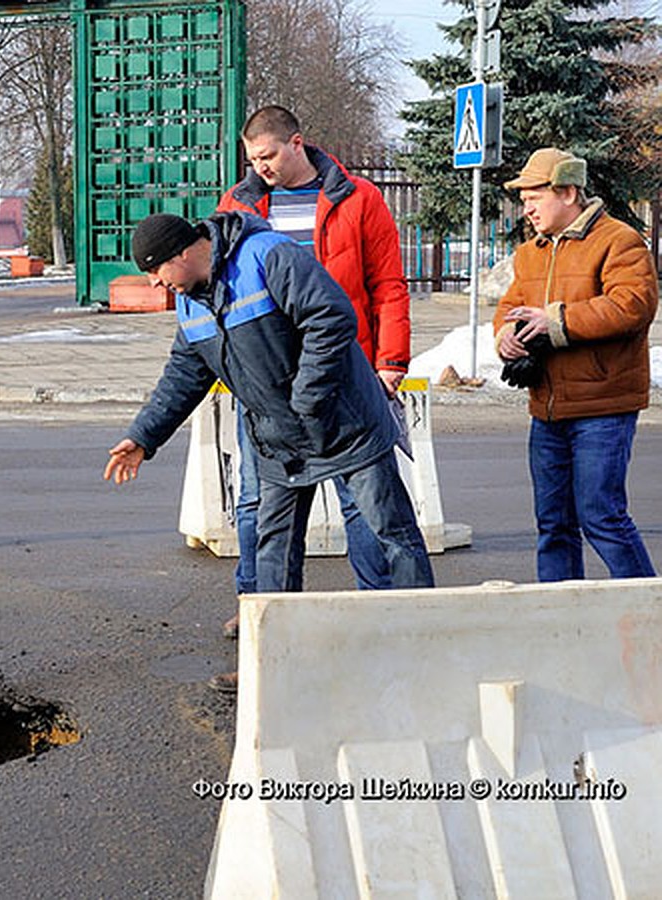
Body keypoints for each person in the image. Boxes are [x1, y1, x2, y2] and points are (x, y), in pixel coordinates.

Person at [104, 212, 435, 691]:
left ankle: (421, 650)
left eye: (157, 272)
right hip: (278, 442)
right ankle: (274, 662)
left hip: (347, 425)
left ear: (180, 255)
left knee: (392, 533)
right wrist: (143, 436)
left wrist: (306, 400)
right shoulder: (191, 305)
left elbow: (331, 316)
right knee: (273, 552)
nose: (157, 285)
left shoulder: (266, 256)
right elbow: (184, 375)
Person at [216, 106, 412, 633]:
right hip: (269, 388)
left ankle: (382, 610)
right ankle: (257, 608)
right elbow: (219, 288)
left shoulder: (359, 199)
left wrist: (390, 362)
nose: (261, 167)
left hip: (347, 378)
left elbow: (388, 286)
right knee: (260, 499)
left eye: (269, 155)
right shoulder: (239, 205)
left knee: (364, 505)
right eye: (252, 158)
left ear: (297, 143)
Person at [494, 147, 658, 582]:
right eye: (523, 198)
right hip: (546, 408)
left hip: (603, 408)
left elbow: (633, 305)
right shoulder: (531, 252)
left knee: (601, 517)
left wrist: (556, 320)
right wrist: (506, 335)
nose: (525, 207)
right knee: (553, 525)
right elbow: (510, 305)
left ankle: (647, 611)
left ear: (567, 192)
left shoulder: (618, 240)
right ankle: (561, 621)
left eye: (534, 196)